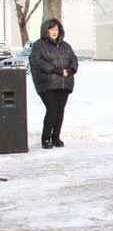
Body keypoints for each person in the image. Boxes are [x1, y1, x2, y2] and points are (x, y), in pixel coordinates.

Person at [30, 19, 79, 149]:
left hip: (64, 83)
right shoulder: (38, 45)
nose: (54, 32)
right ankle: (45, 139)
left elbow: (74, 59)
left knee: (60, 111)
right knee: (52, 109)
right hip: (47, 84)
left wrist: (70, 70)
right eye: (51, 29)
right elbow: (38, 62)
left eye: (56, 29)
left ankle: (56, 137)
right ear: (46, 31)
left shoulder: (65, 45)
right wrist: (56, 70)